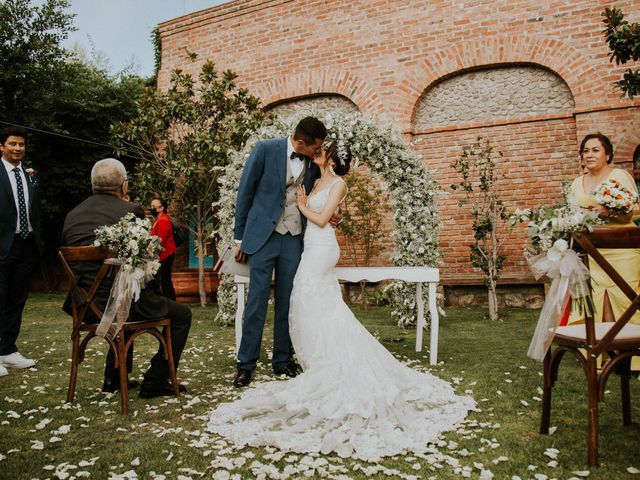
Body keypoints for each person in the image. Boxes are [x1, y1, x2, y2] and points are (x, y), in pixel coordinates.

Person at [208, 140, 475, 460]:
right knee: (299, 302)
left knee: (304, 299)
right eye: (317, 148)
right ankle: (271, 361)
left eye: (323, 151)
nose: (317, 152)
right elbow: (266, 196)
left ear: (331, 159)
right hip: (293, 243)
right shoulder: (309, 174)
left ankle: (303, 361)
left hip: (315, 248)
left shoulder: (330, 180)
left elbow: (321, 216)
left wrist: (311, 207)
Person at [62, 158, 192, 397]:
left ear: (93, 185)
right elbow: (144, 262)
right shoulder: (130, 211)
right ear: (123, 186)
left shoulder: (72, 215)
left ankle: (113, 379)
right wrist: (155, 294)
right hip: (121, 304)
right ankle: (155, 380)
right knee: (180, 314)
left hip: (85, 306)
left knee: (124, 298)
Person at [233, 116, 335, 388]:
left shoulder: (312, 164)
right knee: (256, 302)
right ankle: (246, 365)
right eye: (315, 147)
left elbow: (321, 193)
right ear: (301, 142)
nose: (318, 151)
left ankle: (282, 360)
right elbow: (245, 192)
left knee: (288, 301)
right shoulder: (265, 149)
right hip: (263, 238)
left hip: (294, 238)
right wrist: (240, 237)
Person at [567, 133, 640, 363]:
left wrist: (611, 211)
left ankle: (631, 353)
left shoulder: (619, 176)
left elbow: (635, 210)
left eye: (595, 150)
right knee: (598, 299)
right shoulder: (576, 184)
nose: (589, 155)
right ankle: (604, 355)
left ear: (607, 154)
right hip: (591, 253)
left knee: (626, 298)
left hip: (621, 251)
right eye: (585, 151)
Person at [0, 127, 43, 377]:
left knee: (17, 299)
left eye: (21, 144)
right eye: (13, 144)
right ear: (2, 146)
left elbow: (35, 210)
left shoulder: (31, 173)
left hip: (26, 245)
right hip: (3, 245)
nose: (18, 148)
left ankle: (7, 349)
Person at [150, 197, 176, 301]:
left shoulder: (163, 220)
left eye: (154, 206)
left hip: (165, 255)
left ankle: (170, 301)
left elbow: (160, 240)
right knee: (165, 280)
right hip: (164, 254)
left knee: (165, 280)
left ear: (161, 208)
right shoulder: (159, 219)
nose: (151, 208)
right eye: (151, 206)